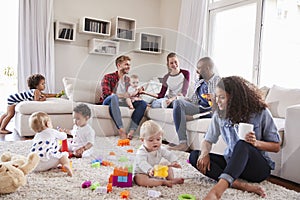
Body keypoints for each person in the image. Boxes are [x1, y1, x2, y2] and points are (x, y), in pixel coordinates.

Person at [189, 76, 281, 199]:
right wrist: (204, 153)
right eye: (216, 97)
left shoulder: (261, 112)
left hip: (256, 169)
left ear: (235, 99)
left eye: (222, 97)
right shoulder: (219, 115)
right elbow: (208, 140)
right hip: (232, 163)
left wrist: (255, 143)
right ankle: (240, 185)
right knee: (195, 156)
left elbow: (276, 146)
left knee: (242, 144)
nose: (217, 101)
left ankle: (217, 191)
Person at [169, 57, 221, 151]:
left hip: (210, 109)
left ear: (207, 68)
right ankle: (183, 143)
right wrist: (179, 99)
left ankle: (193, 117)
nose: (197, 71)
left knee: (214, 113)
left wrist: (214, 98)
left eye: (199, 68)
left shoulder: (218, 80)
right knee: (178, 103)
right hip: (199, 107)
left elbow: (222, 102)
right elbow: (193, 100)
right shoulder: (199, 82)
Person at [99, 55, 147, 140]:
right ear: (119, 65)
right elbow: (106, 94)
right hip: (109, 101)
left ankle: (131, 131)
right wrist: (122, 96)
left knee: (142, 103)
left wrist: (137, 92)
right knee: (114, 97)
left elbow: (130, 95)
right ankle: (121, 130)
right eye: (126, 64)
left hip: (123, 102)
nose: (129, 67)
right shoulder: (108, 77)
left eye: (129, 65)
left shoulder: (128, 80)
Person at [133, 120, 184, 187]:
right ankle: (162, 182)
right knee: (140, 180)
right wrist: (149, 170)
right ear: (142, 140)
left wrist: (174, 161)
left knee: (166, 165)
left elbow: (168, 154)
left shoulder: (160, 148)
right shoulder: (141, 152)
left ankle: (171, 179)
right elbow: (142, 163)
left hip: (155, 170)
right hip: (142, 172)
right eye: (151, 140)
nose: (155, 142)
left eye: (158, 139)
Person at [29, 111, 73, 176]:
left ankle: (51, 165)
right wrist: (62, 132)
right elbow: (64, 137)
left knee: (48, 154)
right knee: (63, 155)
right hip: (47, 160)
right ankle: (66, 165)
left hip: (35, 165)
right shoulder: (52, 131)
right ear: (48, 123)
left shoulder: (37, 135)